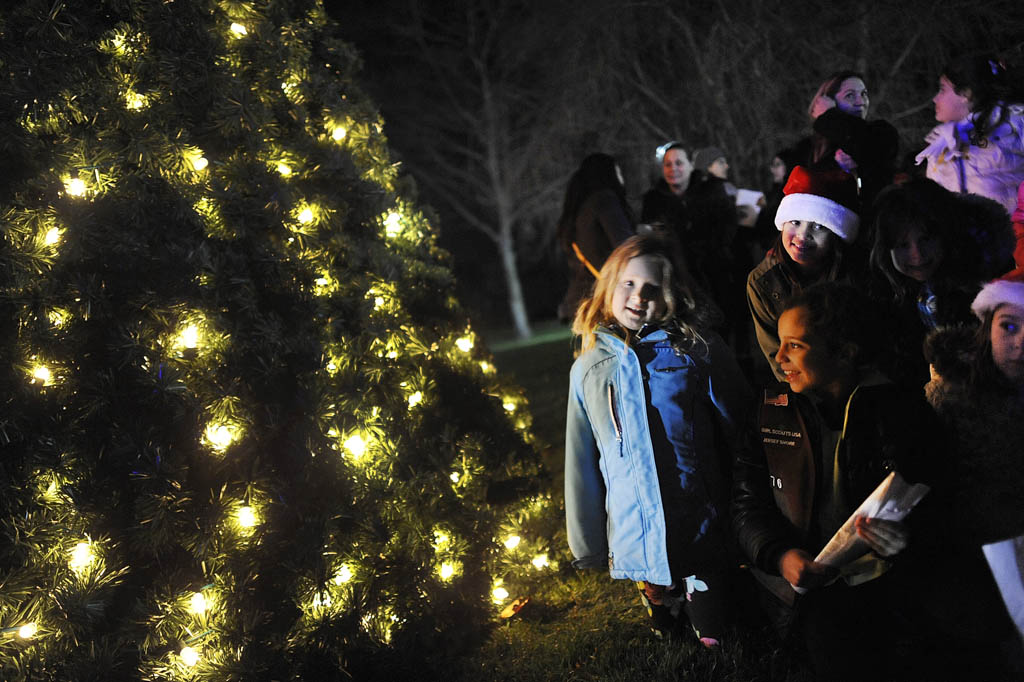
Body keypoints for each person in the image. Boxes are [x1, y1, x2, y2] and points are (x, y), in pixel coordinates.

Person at [732, 282, 946, 680]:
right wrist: (780, 555)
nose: (778, 359)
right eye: (780, 344)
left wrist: (906, 538)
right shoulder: (770, 412)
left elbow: (939, 498)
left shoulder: (900, 411)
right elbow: (747, 504)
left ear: (844, 352)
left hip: (892, 589)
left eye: (795, 345)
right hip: (809, 592)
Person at [565, 234, 750, 646]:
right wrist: (587, 541)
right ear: (609, 284)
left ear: (671, 295)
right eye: (628, 284)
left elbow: (741, 429)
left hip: (701, 527)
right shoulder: (590, 367)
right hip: (638, 537)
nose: (638, 297)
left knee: (717, 641)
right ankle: (667, 611)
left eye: (652, 288)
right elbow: (580, 458)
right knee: (670, 638)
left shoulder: (697, 351)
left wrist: (752, 514)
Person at [921, 272, 1024, 674]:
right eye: (1009, 327)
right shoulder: (950, 397)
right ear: (987, 327)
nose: (1020, 343)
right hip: (967, 561)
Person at [868, 177, 1014, 386]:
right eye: (902, 245)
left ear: (946, 234)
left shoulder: (983, 292)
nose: (917, 255)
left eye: (926, 239)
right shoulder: (889, 293)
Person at [747, 165, 860, 379]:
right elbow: (776, 356)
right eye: (795, 222)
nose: (802, 235)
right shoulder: (763, 281)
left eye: (818, 227)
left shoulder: (856, 276)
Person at [915, 54, 1024, 215]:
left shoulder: (1014, 126)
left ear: (966, 94)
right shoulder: (943, 144)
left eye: (943, 90)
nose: (935, 98)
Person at [795, 71, 899, 210]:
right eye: (850, 95)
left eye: (864, 94)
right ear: (828, 102)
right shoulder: (808, 149)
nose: (860, 102)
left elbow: (866, 144)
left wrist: (829, 116)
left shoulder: (880, 133)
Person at [556, 153, 635, 321]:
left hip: (588, 301)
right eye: (618, 171)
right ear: (608, 173)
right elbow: (627, 247)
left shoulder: (580, 213)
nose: (621, 177)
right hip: (611, 301)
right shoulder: (604, 200)